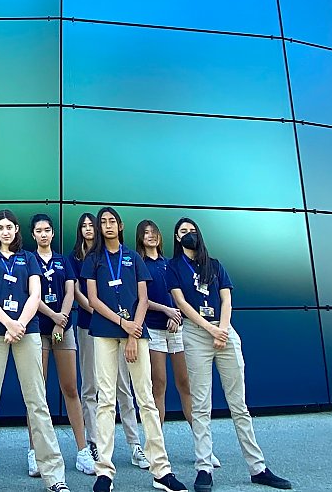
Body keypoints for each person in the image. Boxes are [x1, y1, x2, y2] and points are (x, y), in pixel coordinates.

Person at [167, 219, 292, 492]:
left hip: (225, 334)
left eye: (192, 231)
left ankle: (257, 467)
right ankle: (204, 468)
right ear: (177, 238)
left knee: (240, 406)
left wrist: (222, 329)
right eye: (183, 232)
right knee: (201, 405)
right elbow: (181, 303)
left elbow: (226, 299)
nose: (189, 235)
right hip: (197, 335)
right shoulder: (174, 267)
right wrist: (210, 328)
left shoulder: (215, 263)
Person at [80, 207, 186, 492]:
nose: (107, 226)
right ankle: (104, 472)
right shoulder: (93, 259)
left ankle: (161, 470)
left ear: (121, 225)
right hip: (104, 333)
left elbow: (143, 298)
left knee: (146, 399)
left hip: (136, 334)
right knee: (105, 399)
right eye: (103, 222)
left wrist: (131, 332)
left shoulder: (134, 257)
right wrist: (121, 323)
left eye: (112, 221)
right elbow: (92, 300)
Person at [0, 210, 70, 492]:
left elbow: (35, 295)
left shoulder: (29, 258)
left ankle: (54, 476)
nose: (6, 232)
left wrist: (20, 324)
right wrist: (9, 323)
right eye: (0, 227)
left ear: (17, 230)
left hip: (28, 332)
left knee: (38, 402)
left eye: (10, 227)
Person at [134, 219, 220, 470]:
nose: (151, 236)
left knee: (186, 385)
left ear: (161, 237)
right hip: (154, 329)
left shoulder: (170, 264)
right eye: (146, 233)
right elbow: (141, 299)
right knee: (158, 385)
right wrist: (167, 311)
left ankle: (203, 448)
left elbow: (182, 296)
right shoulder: (140, 264)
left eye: (154, 232)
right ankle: (156, 449)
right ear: (140, 238)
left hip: (178, 329)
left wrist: (177, 314)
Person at [69, 213, 148, 471]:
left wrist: (120, 321)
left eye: (96, 224)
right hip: (93, 327)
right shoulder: (81, 258)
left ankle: (135, 444)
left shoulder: (127, 257)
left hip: (123, 328)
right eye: (87, 226)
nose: (92, 229)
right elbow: (82, 295)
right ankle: (94, 442)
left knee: (124, 387)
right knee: (92, 387)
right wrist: (104, 315)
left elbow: (139, 296)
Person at [28, 213, 94, 479]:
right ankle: (35, 452)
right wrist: (52, 317)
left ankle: (82, 451)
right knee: (37, 393)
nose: (43, 234)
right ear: (33, 235)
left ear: (53, 234)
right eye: (39, 231)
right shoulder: (28, 259)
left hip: (63, 330)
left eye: (47, 230)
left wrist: (61, 319)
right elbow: (30, 295)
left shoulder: (63, 260)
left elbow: (69, 291)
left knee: (71, 389)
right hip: (38, 330)